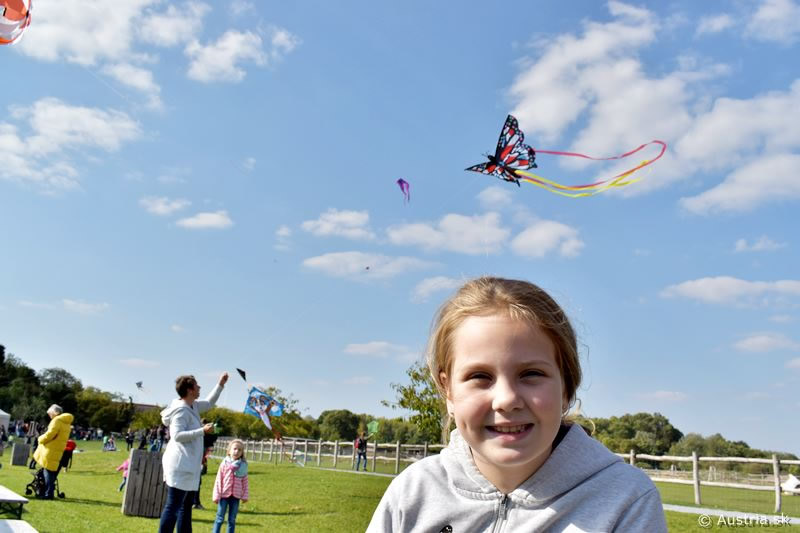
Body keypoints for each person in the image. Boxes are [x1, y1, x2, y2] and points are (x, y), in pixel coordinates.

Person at [367, 277, 667, 532]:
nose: (507, 399)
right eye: (480, 376)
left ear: (567, 387)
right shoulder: (413, 493)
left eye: (531, 374)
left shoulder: (626, 500)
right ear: (448, 391)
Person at [158, 372, 228, 533]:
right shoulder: (181, 411)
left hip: (188, 466)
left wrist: (221, 384)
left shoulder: (193, 405)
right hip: (180, 466)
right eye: (197, 386)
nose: (199, 388)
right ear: (190, 390)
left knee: (185, 507)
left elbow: (210, 402)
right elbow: (177, 435)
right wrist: (202, 430)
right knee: (173, 507)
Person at [32, 404, 74, 500]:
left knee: (48, 471)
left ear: (54, 412)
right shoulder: (66, 422)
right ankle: (48, 492)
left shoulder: (56, 420)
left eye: (50, 413)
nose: (49, 415)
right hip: (58, 449)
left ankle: (48, 493)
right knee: (50, 472)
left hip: (50, 449)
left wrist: (40, 438)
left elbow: (50, 434)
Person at [212, 439, 249, 533]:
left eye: (239, 450)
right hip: (224, 495)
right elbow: (218, 480)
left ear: (242, 452)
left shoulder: (243, 466)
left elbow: (245, 481)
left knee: (232, 520)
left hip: (236, 496)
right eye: (235, 449)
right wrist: (216, 495)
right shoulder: (224, 463)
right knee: (219, 518)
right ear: (229, 451)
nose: (237, 451)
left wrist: (245, 495)